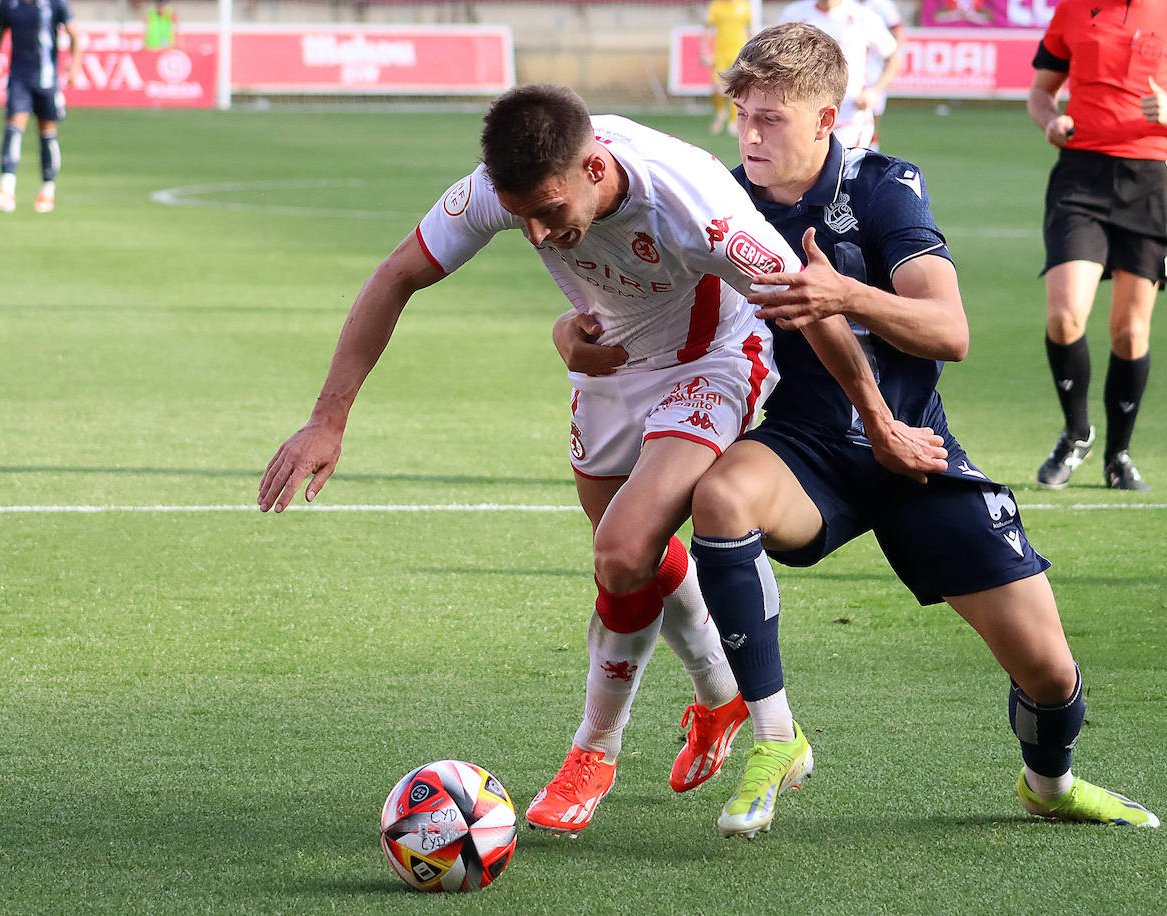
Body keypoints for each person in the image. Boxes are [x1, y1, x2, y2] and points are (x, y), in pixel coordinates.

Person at [258, 83, 943, 836]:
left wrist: (878, 421)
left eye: (550, 212)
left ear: (593, 167)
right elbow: (397, 276)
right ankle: (720, 696)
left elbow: (808, 310)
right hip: (609, 362)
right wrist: (328, 420)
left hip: (711, 359)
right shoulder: (503, 188)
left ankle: (595, 748)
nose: (540, 236)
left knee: (621, 551)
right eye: (522, 219)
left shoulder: (695, 204)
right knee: (631, 557)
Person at [558, 23, 1161, 840]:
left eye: (773, 118)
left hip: (917, 453)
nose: (752, 134)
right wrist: (571, 334)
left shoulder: (882, 191)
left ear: (826, 119)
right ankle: (774, 737)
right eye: (744, 115)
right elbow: (640, 305)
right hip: (806, 450)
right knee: (723, 496)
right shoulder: (718, 200)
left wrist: (847, 295)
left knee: (1050, 672)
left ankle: (1048, 784)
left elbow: (951, 331)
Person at [1028, 0, 1167, 490]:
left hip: (1149, 182)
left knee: (1130, 334)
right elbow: (1040, 93)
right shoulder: (1072, 12)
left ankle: (1118, 455)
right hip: (1080, 179)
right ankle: (1077, 433)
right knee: (1063, 316)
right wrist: (1050, 121)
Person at [0, 0, 83, 214]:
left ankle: (47, 190)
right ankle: (7, 190)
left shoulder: (54, 4)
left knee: (47, 133)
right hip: (19, 78)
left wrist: (74, 66)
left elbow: (74, 34)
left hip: (47, 79)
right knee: (13, 128)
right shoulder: (9, 4)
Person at [777, 0, 897, 150]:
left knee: (845, 170)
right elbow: (779, 57)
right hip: (806, 114)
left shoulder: (863, 16)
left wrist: (875, 91)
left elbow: (894, 56)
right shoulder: (794, 14)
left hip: (851, 113)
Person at [856, 0, 904, 149]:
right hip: (851, 69)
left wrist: (891, 54)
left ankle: (871, 149)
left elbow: (898, 33)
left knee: (872, 114)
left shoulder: (882, 5)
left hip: (873, 69)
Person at [702, 0, 752, 135]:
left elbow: (749, 29)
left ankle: (733, 121)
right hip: (720, 53)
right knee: (716, 87)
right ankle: (720, 112)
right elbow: (707, 29)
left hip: (738, 51)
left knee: (736, 87)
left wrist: (753, 51)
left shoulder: (744, 5)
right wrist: (704, 50)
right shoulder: (716, 6)